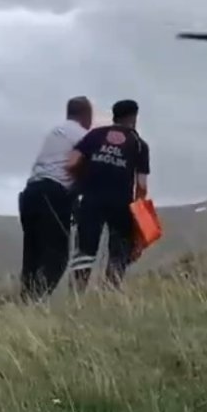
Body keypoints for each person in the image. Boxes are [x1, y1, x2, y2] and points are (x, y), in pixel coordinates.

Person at [66, 99, 150, 291]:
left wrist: (80, 182)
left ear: (114, 116)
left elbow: (71, 162)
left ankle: (77, 295)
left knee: (85, 250)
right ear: (134, 117)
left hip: (91, 200)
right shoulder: (139, 145)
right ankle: (111, 292)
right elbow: (141, 186)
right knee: (119, 252)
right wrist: (139, 219)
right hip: (121, 204)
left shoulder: (95, 135)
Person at [17, 96, 93, 302]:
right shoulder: (84, 136)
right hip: (52, 193)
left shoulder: (55, 132)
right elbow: (88, 169)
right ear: (86, 115)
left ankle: (25, 303)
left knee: (33, 256)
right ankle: (35, 302)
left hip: (30, 193)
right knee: (56, 256)